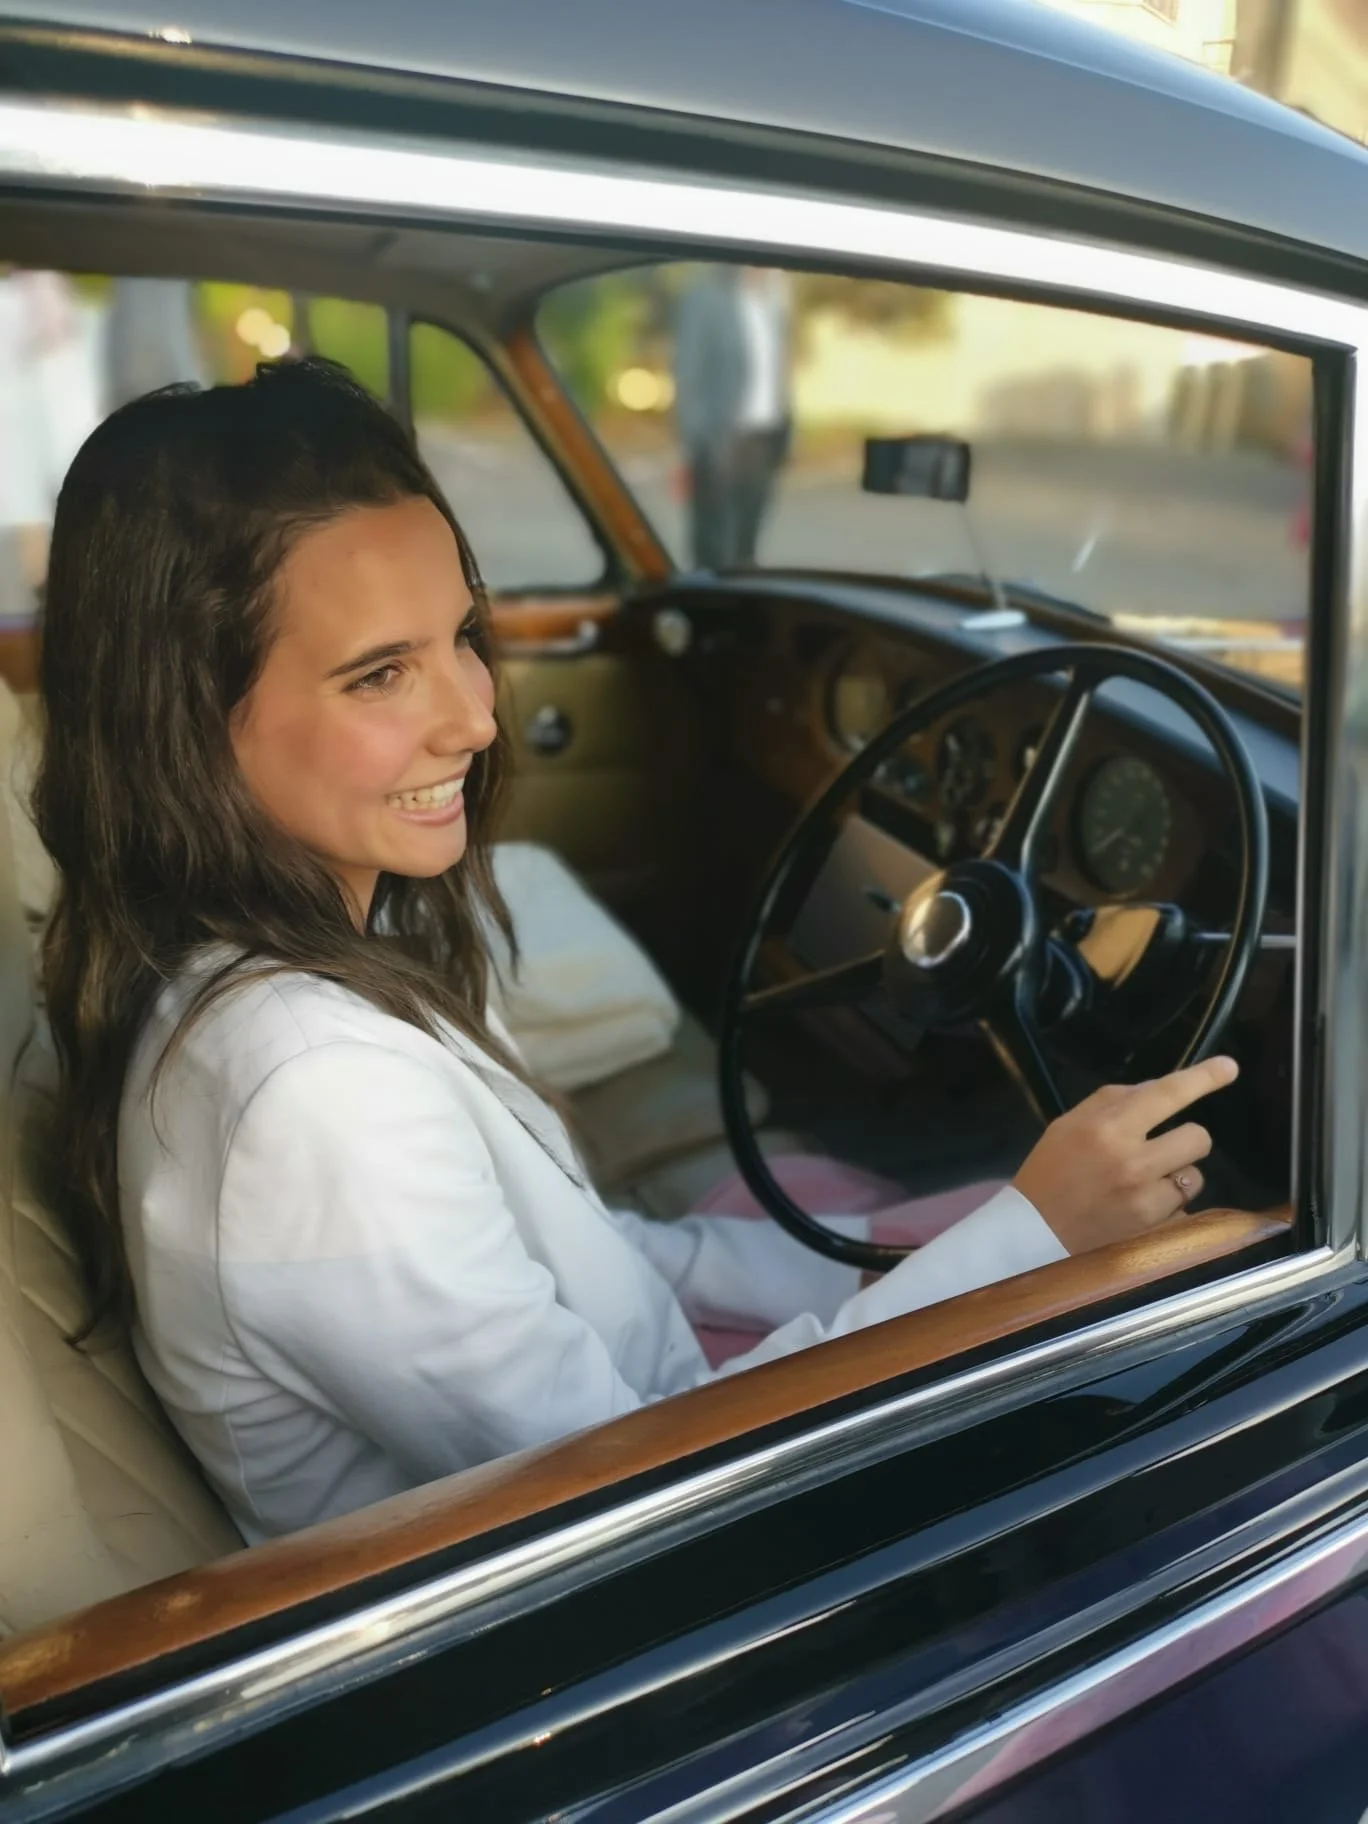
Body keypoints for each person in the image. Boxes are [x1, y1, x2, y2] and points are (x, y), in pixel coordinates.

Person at [33, 359, 1233, 1544]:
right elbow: (647, 1496)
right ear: (185, 720)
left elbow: (607, 1256)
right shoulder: (316, 1102)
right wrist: (1029, 1239)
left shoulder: (291, 946)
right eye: (381, 675)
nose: (475, 714)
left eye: (459, 636)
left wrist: (894, 1269)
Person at [673, 264, 792, 569]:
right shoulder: (707, 299)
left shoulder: (772, 302)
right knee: (713, 546)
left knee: (746, 541)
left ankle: (743, 605)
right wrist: (696, 443)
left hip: (764, 437)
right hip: (721, 438)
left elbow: (778, 370)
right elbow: (688, 372)